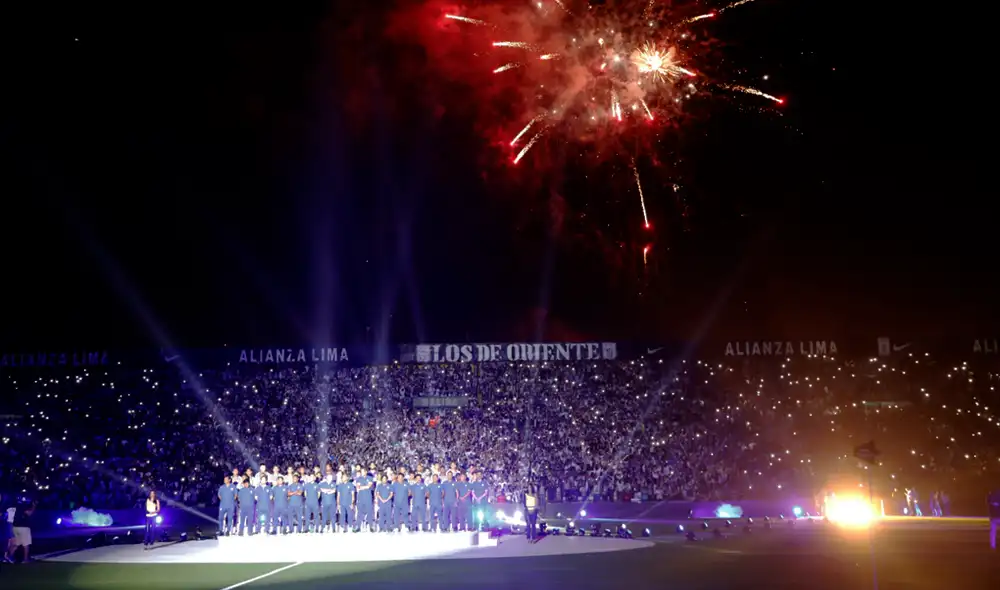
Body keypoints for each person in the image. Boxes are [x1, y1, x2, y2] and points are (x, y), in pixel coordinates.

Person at [355, 468, 375, 532]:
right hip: (361, 498)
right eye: (361, 471)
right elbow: (357, 488)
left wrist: (362, 487)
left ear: (366, 472)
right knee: (359, 512)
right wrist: (364, 487)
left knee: (369, 512)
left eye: (363, 471)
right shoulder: (358, 479)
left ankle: (371, 526)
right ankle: (358, 526)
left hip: (368, 498)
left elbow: (369, 486)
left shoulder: (370, 478)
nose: (362, 472)